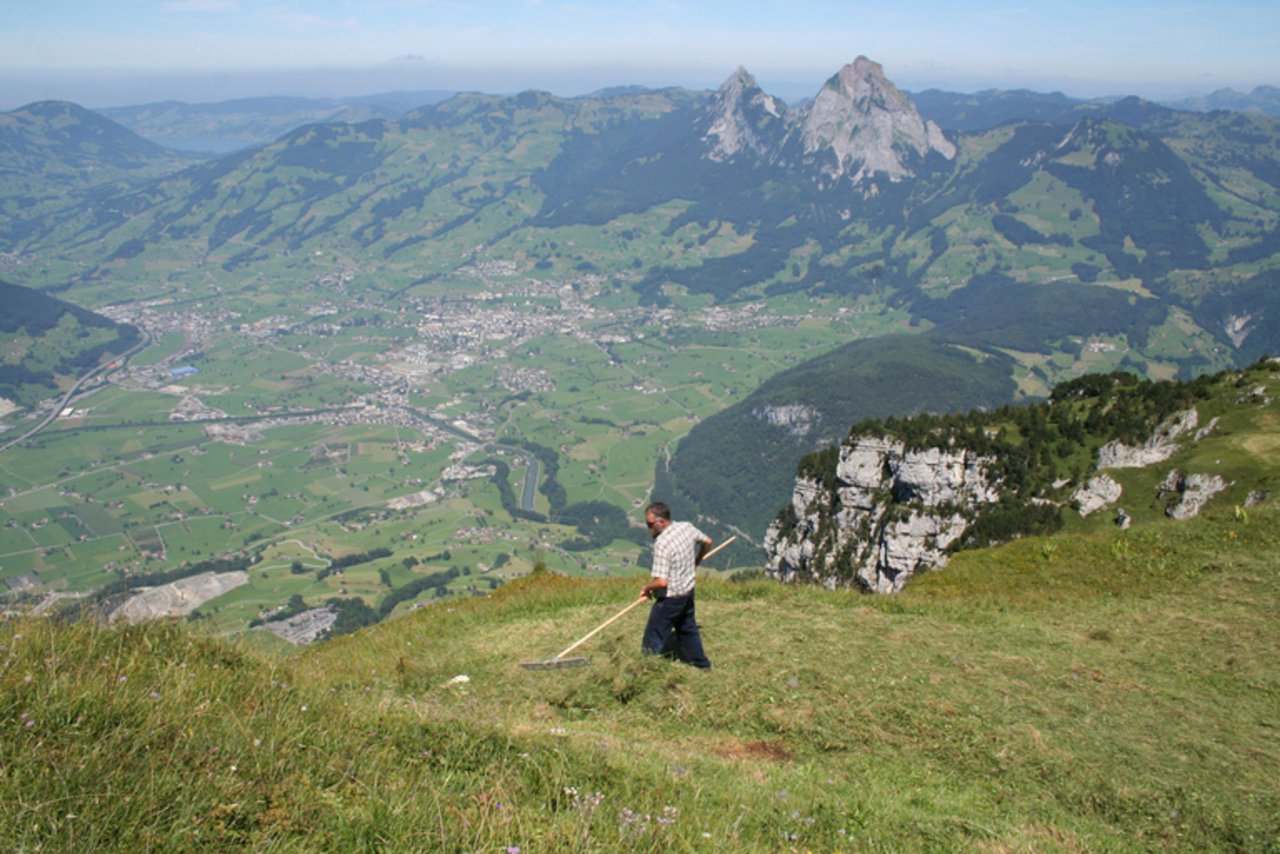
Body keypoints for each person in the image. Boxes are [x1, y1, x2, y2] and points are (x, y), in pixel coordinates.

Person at [638, 501, 712, 669]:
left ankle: (645, 670)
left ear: (661, 522)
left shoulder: (662, 544)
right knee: (688, 628)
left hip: (670, 599)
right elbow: (708, 541)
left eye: (650, 525)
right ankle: (702, 665)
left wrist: (646, 588)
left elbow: (662, 582)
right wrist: (698, 560)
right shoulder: (686, 527)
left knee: (653, 636)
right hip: (687, 592)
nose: (648, 528)